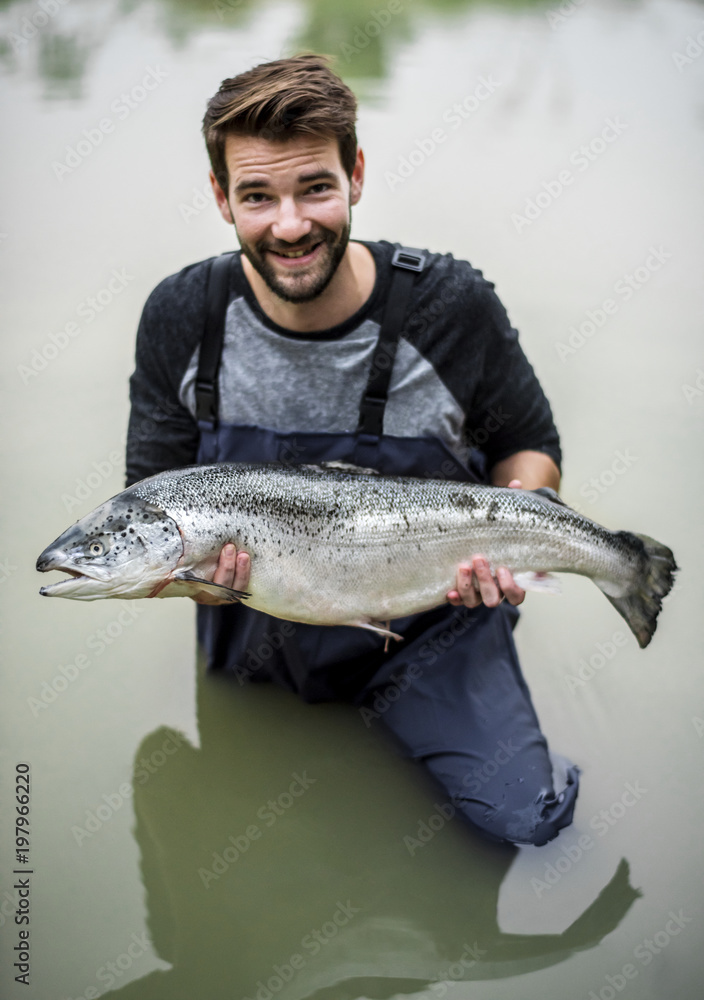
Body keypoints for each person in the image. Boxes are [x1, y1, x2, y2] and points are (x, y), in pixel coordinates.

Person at [126, 54, 579, 847]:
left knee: (526, 829)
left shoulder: (450, 305)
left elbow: (528, 448)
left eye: (316, 189)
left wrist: (512, 541)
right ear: (220, 197)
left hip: (437, 623)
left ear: (357, 175)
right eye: (258, 196)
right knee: (237, 865)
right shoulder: (180, 316)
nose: (291, 224)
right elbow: (152, 513)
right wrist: (204, 586)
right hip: (257, 627)